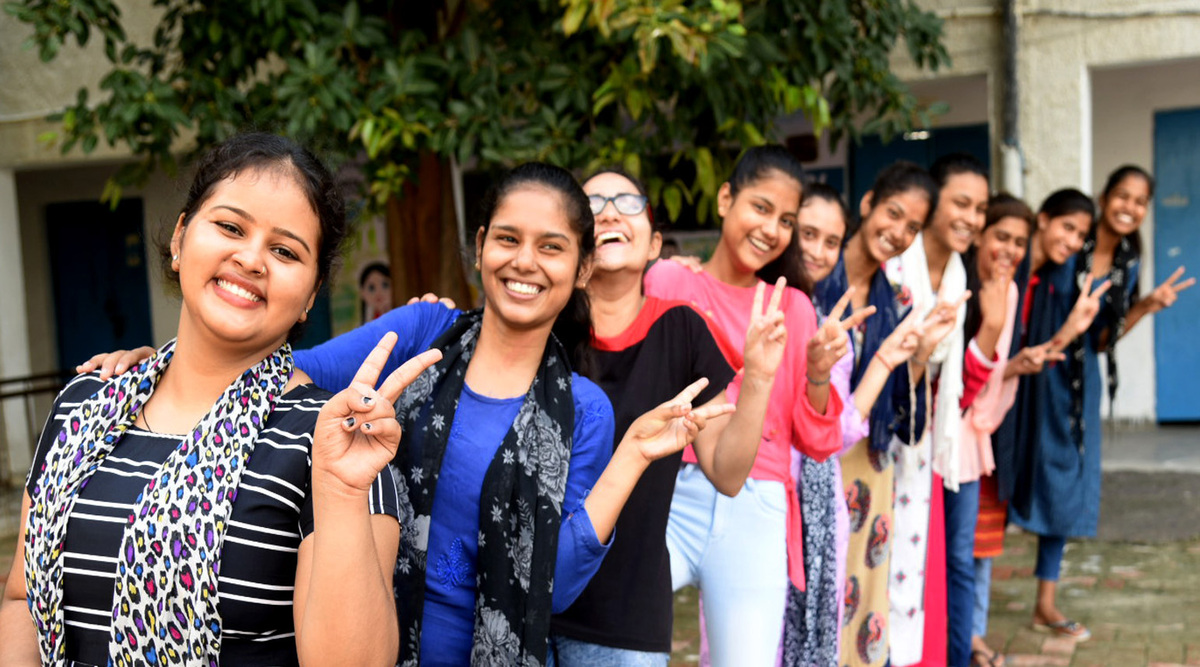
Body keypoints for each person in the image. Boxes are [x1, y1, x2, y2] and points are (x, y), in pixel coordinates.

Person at [0, 132, 429, 666]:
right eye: (229, 226)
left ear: (310, 296)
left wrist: (340, 491)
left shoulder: (334, 442)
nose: (250, 259)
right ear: (180, 238)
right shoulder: (82, 407)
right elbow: (22, 598)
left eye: (284, 250)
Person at [290, 162, 732, 664]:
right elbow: (288, 374)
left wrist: (631, 454)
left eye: (551, 247)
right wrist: (340, 421)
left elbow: (555, 587)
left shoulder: (584, 411)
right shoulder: (424, 333)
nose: (525, 262)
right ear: (480, 247)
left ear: (582, 267)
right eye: (507, 238)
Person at [548, 168, 788, 665]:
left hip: (625, 620)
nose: (611, 211)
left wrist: (759, 379)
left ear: (655, 244)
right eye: (594, 203)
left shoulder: (682, 329)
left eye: (627, 202)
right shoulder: (541, 329)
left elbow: (726, 472)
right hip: (526, 601)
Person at [643, 145, 855, 666]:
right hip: (665, 492)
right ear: (725, 199)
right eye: (760, 208)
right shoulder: (668, 281)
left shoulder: (795, 307)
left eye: (786, 220)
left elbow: (815, 439)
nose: (771, 229)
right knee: (613, 646)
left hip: (757, 505)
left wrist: (820, 376)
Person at [814, 161, 963, 667]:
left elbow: (902, 408)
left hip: (871, 470)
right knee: (816, 594)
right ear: (867, 205)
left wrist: (922, 352)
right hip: (813, 464)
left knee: (865, 594)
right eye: (893, 214)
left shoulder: (896, 300)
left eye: (912, 228)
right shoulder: (814, 278)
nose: (898, 233)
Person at [782, 183, 924, 667]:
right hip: (766, 485)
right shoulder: (782, 299)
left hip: (840, 472)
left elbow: (835, 426)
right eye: (806, 234)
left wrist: (897, 356)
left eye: (829, 241)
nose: (817, 251)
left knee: (840, 604)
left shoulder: (877, 302)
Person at [882, 153, 988, 667]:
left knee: (917, 560)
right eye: (961, 203)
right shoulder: (896, 268)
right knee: (886, 556)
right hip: (882, 432)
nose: (971, 217)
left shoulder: (958, 271)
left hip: (927, 437)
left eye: (980, 207)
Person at [955, 194, 1065, 667]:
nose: (1011, 249)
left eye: (1019, 242)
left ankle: (970, 639)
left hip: (981, 434)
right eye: (1002, 236)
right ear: (979, 233)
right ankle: (962, 642)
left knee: (976, 549)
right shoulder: (956, 286)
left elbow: (991, 381)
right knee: (957, 552)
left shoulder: (1011, 292)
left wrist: (1014, 367)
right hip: (947, 434)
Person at [1006, 188, 1115, 644]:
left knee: (1060, 481)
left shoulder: (1061, 275)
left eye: (1081, 235)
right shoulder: (1009, 269)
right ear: (1042, 219)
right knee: (988, 496)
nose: (1071, 241)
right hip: (998, 388)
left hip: (1037, 384)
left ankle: (1043, 601)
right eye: (1066, 227)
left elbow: (1074, 342)